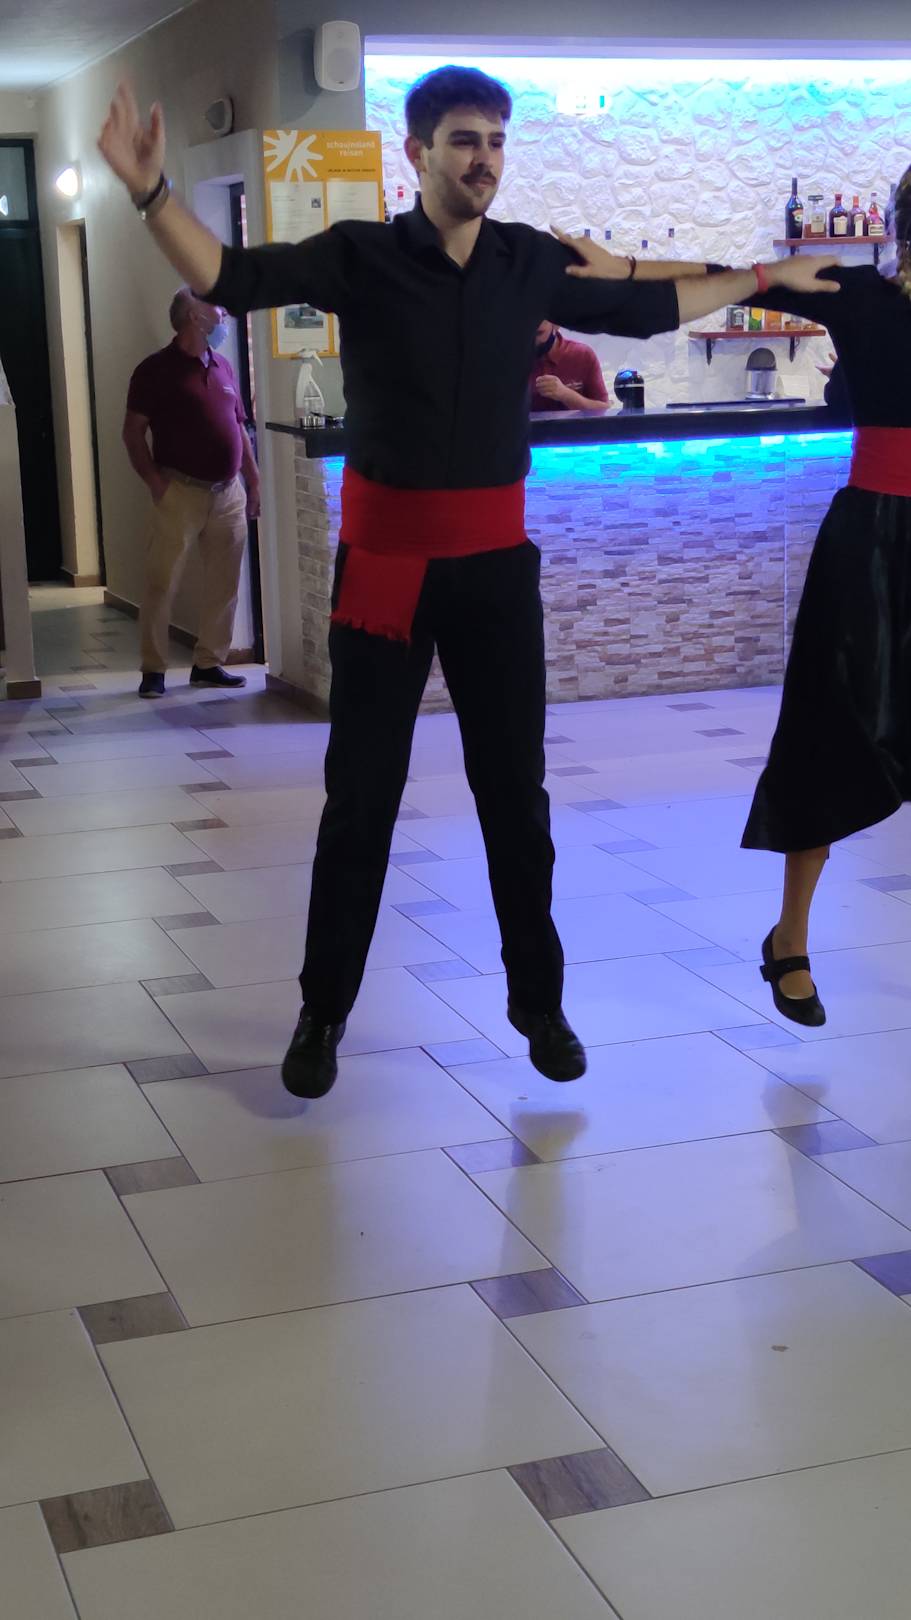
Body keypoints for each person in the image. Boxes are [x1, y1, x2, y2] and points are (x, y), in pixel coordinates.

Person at [98, 68, 834, 1097]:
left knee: (513, 797)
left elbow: (645, 304)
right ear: (417, 153)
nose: (482, 157)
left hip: (493, 572)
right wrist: (150, 193)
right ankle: (322, 1012)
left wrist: (762, 276)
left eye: (493, 139)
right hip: (384, 572)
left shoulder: (524, 260)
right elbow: (229, 275)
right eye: (461, 139)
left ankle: (539, 1003)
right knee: (360, 801)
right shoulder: (360, 254)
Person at [736, 165, 911, 1025]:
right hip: (874, 536)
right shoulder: (862, 296)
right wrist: (618, 273)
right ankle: (791, 938)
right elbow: (738, 282)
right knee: (832, 728)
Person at [123, 287, 260, 698]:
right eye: (217, 309)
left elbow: (239, 427)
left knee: (225, 582)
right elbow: (132, 432)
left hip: (228, 493)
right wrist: (154, 481)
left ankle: (209, 663)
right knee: (161, 581)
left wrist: (253, 481)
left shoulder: (222, 365)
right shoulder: (154, 370)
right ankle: (153, 669)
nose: (224, 316)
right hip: (180, 490)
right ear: (193, 317)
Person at [531, 320, 609, 413]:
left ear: (555, 325)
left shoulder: (582, 355)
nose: (532, 341)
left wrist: (566, 395)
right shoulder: (516, 359)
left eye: (539, 333)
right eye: (525, 333)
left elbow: (605, 410)